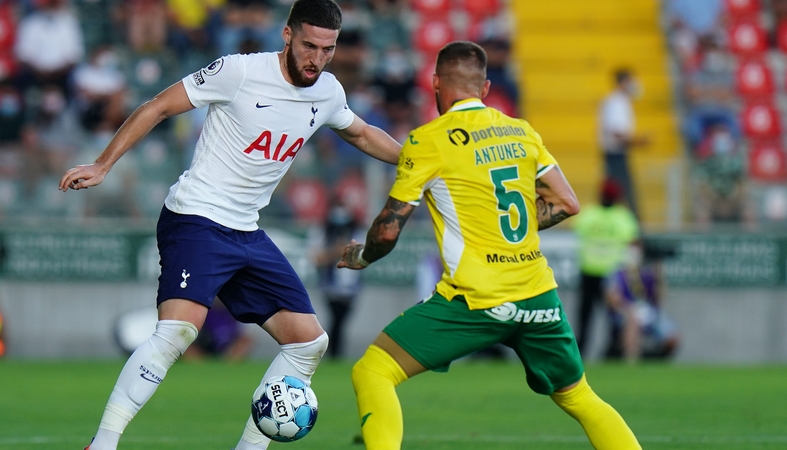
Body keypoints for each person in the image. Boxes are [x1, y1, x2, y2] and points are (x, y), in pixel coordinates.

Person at [59, 1, 401, 449]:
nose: (316, 58)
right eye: (309, 45)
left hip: (245, 230)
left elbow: (360, 133)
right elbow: (159, 106)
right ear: (286, 35)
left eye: (327, 49)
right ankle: (102, 443)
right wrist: (104, 164)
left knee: (308, 342)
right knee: (179, 332)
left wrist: (420, 160)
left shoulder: (327, 91)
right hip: (196, 216)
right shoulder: (238, 72)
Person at [337, 41, 641, 450]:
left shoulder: (427, 141)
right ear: (485, 88)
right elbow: (567, 203)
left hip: (474, 301)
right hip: (537, 296)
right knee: (580, 397)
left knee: (373, 371)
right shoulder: (521, 131)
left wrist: (362, 256)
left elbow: (388, 231)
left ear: (435, 84)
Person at [572, 178, 639, 355]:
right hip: (612, 274)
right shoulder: (622, 216)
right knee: (613, 317)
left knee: (585, 316)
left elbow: (578, 233)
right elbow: (632, 243)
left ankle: (580, 351)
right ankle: (613, 351)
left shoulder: (589, 214)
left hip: (589, 271)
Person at [604, 242, 679, 362]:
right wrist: (627, 307)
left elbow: (659, 298)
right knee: (633, 319)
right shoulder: (617, 273)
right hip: (625, 311)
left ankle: (657, 360)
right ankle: (631, 357)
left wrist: (659, 275)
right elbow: (612, 299)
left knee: (672, 336)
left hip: (648, 312)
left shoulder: (646, 273)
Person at [310, 196, 363, 358]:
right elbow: (316, 257)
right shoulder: (323, 232)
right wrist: (336, 251)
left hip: (351, 287)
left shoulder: (357, 232)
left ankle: (335, 353)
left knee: (340, 321)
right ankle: (334, 353)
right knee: (335, 320)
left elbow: (363, 256)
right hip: (330, 285)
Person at [598, 68, 649, 216]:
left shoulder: (621, 102)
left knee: (618, 193)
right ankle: (631, 229)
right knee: (621, 194)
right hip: (615, 156)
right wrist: (639, 142)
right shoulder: (616, 103)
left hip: (617, 155)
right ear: (623, 82)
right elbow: (617, 134)